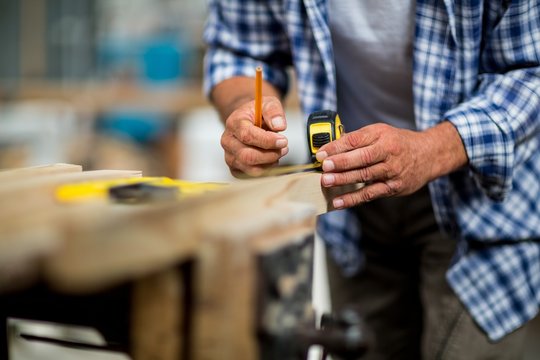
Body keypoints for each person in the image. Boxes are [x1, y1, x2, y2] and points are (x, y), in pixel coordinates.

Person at [203, 1, 540, 359]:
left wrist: (433, 148)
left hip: (484, 203)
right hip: (351, 210)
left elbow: (531, 72)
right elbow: (238, 49)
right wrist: (246, 109)